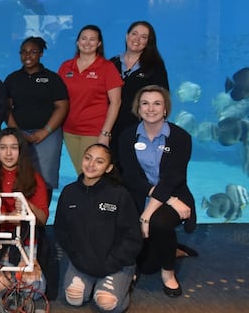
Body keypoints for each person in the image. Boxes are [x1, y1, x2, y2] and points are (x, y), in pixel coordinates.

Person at [118, 85, 196, 298]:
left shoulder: (181, 137)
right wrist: (168, 200)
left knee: (158, 223)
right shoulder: (127, 136)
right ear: (138, 108)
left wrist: (146, 215)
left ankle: (168, 273)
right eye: (145, 103)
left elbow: (173, 178)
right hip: (142, 194)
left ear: (165, 109)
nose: (150, 108)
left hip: (174, 193)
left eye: (157, 103)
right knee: (147, 266)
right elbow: (130, 177)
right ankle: (165, 249)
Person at [54, 144, 141, 313]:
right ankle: (92, 280)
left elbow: (132, 237)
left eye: (99, 161)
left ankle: (126, 279)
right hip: (82, 261)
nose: (91, 164)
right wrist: (76, 257)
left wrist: (112, 263)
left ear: (108, 168)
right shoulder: (69, 192)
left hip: (115, 263)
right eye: (88, 158)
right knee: (73, 299)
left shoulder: (119, 194)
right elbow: (61, 230)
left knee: (107, 304)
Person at [0, 128, 49, 295]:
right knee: (0, 285)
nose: (8, 153)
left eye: (14, 147)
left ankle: (19, 277)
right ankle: (9, 277)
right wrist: (8, 216)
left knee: (34, 290)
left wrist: (28, 206)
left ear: (21, 150)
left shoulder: (35, 178)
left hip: (25, 241)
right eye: (3, 147)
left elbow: (43, 219)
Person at [5, 37, 69, 199]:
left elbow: (62, 107)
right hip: (19, 134)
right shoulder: (12, 79)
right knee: (18, 177)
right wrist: (17, 132)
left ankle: (41, 215)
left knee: (45, 179)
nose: (28, 56)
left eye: (33, 52)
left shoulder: (52, 79)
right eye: (24, 52)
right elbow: (6, 108)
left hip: (48, 135)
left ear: (41, 54)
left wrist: (45, 131)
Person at [58, 25, 123, 174]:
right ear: (77, 42)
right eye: (84, 38)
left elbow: (116, 102)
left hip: (94, 131)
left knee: (90, 172)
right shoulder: (66, 66)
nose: (87, 42)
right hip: (69, 131)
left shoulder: (107, 67)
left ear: (99, 43)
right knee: (80, 173)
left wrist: (105, 133)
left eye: (92, 39)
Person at [109, 21, 170, 159]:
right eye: (134, 34)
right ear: (127, 36)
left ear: (149, 42)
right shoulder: (113, 63)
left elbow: (163, 97)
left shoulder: (155, 67)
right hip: (111, 127)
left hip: (139, 129)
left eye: (143, 37)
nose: (137, 39)